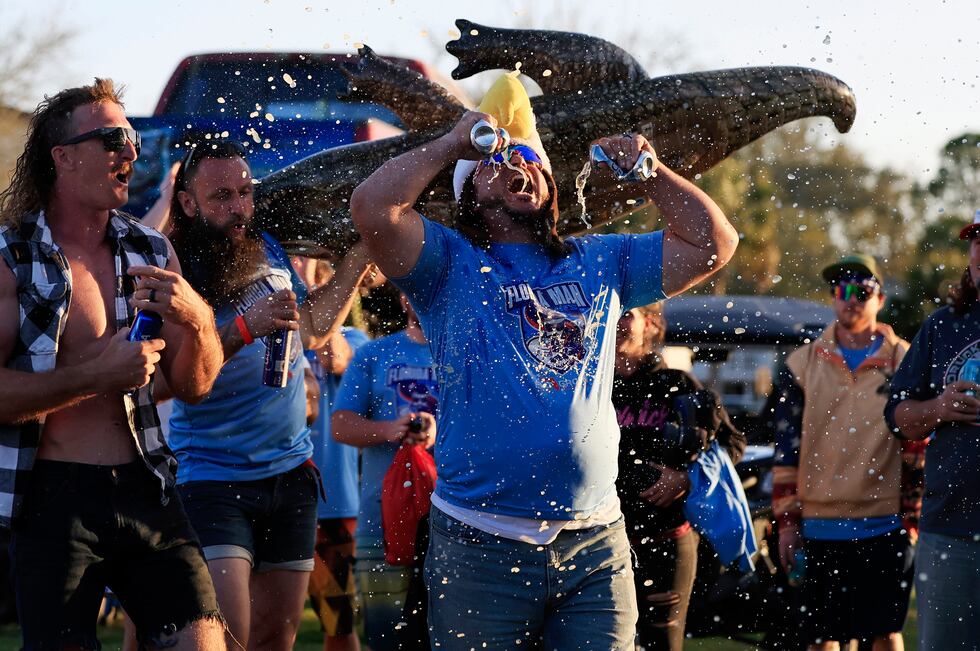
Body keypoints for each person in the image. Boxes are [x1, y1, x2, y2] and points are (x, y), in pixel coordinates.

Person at [350, 72, 738, 648]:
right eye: (498, 159)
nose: (519, 167)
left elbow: (714, 243)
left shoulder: (600, 259)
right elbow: (373, 207)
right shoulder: (447, 265)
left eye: (531, 160)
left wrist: (649, 174)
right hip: (480, 545)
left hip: (596, 544)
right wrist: (452, 143)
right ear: (467, 192)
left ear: (551, 185)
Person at [0, 79, 226, 650]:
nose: (130, 151)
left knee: (203, 642)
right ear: (63, 157)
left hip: (146, 483)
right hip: (53, 498)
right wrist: (94, 377)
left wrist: (199, 319)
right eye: (111, 139)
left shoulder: (150, 250)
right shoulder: (13, 257)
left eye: (130, 138)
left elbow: (193, 386)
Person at [164, 141, 374, 651]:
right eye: (220, 196)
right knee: (226, 640)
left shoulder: (270, 248)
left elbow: (314, 330)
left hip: (290, 475)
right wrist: (243, 327)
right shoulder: (176, 266)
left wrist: (358, 258)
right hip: (211, 476)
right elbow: (169, 383)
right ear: (189, 203)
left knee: (272, 643)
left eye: (244, 192)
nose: (238, 206)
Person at [772, 254, 919, 651]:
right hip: (819, 524)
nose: (850, 298)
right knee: (823, 640)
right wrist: (786, 523)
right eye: (840, 290)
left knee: (886, 635)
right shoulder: (800, 364)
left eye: (862, 290)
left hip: (886, 524)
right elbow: (787, 451)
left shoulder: (907, 360)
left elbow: (919, 446)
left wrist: (913, 518)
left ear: (881, 299)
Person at [613, 302, 744, 650]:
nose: (618, 322)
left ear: (650, 325)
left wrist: (687, 477)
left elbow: (732, 443)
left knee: (662, 644)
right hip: (600, 541)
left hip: (666, 541)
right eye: (611, 313)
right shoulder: (588, 387)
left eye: (628, 314)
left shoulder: (676, 384)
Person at [885, 213, 980, 651]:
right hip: (950, 531)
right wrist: (939, 408)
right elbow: (897, 416)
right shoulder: (942, 325)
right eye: (976, 242)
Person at [332, 292, 437, 651]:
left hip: (456, 529)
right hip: (382, 527)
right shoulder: (373, 354)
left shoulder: (469, 352)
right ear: (404, 297)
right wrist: (390, 429)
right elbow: (340, 425)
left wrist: (443, 429)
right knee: (386, 641)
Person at [294, 256, 373, 651]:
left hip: (335, 504)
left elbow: (334, 357)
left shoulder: (356, 342)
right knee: (273, 619)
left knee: (336, 621)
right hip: (280, 494)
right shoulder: (277, 332)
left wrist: (308, 285)